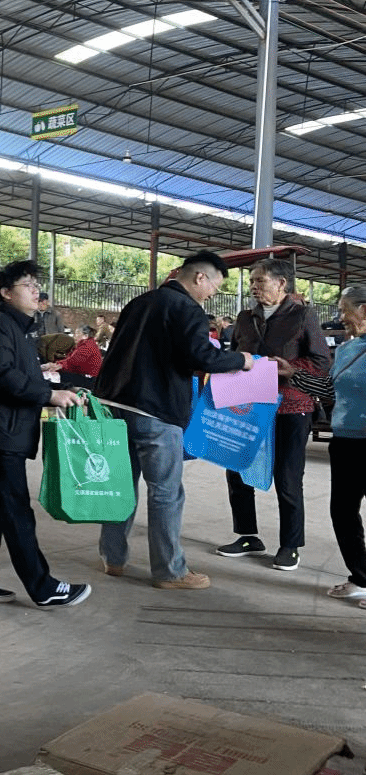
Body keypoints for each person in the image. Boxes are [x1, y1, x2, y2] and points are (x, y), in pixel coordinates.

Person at [93, 252, 251, 589]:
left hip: (114, 403)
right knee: (165, 492)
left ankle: (113, 558)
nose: (212, 294)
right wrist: (242, 360)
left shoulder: (140, 301)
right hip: (155, 409)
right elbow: (201, 357)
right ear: (199, 277)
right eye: (214, 287)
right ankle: (170, 571)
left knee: (121, 485)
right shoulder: (187, 309)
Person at [0, 260, 90, 609]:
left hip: (4, 431)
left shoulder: (17, 329)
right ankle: (42, 587)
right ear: (6, 292)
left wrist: (60, 387)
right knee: (16, 511)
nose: (36, 291)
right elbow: (1, 376)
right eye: (27, 285)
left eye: (36, 285)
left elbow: (18, 373)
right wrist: (49, 396)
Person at [216, 259, 331, 571]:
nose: (254, 286)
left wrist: (290, 369)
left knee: (287, 476)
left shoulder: (303, 316)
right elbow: (234, 355)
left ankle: (290, 545)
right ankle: (247, 536)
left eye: (260, 280)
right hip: (248, 404)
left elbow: (321, 362)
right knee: (237, 471)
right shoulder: (245, 317)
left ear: (282, 283)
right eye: (252, 280)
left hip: (291, 406)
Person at [290, 287, 366, 605]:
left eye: (344, 309)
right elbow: (330, 389)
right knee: (343, 511)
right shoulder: (348, 349)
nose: (340, 316)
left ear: (363, 310)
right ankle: (361, 576)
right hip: (346, 440)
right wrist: (293, 374)